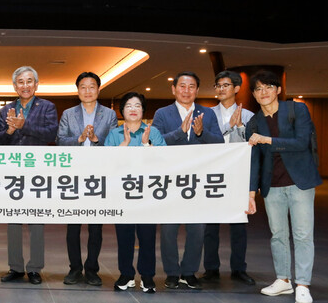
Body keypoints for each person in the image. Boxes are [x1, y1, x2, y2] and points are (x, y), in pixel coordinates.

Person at [246, 70, 322, 303]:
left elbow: (301, 143)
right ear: (254, 95)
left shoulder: (297, 110)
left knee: (302, 235)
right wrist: (251, 193)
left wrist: (267, 140)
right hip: (272, 186)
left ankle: (303, 284)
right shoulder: (254, 122)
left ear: (278, 90)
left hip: (300, 182)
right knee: (278, 235)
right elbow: (254, 160)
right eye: (258, 89)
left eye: (268, 87)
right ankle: (283, 280)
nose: (263, 92)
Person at [151, 71, 223, 290]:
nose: (186, 90)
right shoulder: (162, 113)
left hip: (198, 180)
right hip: (170, 180)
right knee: (169, 230)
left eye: (191, 86)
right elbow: (156, 142)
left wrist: (202, 133)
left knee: (197, 229)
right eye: (182, 86)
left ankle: (189, 272)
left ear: (197, 90)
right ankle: (172, 273)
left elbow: (219, 142)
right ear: (174, 89)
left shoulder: (207, 114)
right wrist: (180, 132)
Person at [0, 66, 58, 285]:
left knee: (36, 219)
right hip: (12, 172)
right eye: (20, 82)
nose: (25, 85)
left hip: (37, 170)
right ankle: (15, 267)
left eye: (29, 81)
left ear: (36, 84)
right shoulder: (6, 109)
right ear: (15, 86)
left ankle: (34, 268)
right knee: (13, 220)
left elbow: (52, 134)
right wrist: (10, 131)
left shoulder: (47, 107)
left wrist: (25, 125)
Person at [56, 72, 117, 286]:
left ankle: (92, 269)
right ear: (78, 90)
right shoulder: (68, 114)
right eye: (83, 87)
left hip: (99, 176)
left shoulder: (109, 114)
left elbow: (114, 143)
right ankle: (74, 268)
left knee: (95, 227)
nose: (88, 91)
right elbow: (60, 141)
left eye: (92, 86)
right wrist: (80, 138)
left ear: (98, 90)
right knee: (73, 226)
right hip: (74, 176)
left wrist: (96, 139)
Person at [105, 92, 165, 294]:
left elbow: (165, 161)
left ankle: (147, 276)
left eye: (137, 105)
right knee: (124, 237)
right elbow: (104, 164)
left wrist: (147, 145)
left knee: (147, 237)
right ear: (122, 111)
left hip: (148, 194)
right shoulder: (114, 134)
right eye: (128, 105)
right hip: (121, 194)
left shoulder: (153, 131)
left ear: (143, 110)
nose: (133, 109)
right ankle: (126, 274)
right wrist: (123, 145)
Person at [202, 71, 256, 285]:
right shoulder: (206, 114)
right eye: (218, 85)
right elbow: (205, 141)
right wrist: (229, 127)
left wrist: (239, 127)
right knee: (210, 225)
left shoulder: (249, 116)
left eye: (226, 85)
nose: (221, 89)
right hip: (212, 174)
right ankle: (211, 268)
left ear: (236, 88)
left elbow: (250, 145)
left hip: (237, 175)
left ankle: (239, 269)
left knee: (238, 225)